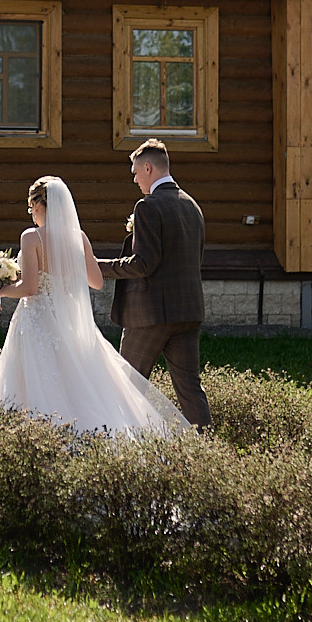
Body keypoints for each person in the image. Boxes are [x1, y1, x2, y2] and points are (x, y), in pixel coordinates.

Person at [0, 175, 183, 437]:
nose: (30, 211)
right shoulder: (78, 237)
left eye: (31, 205)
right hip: (69, 320)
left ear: (40, 204)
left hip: (37, 320)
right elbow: (97, 282)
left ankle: (34, 436)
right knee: (76, 379)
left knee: (36, 379)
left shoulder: (31, 237)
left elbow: (29, 288)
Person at [97, 140, 211, 430]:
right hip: (188, 312)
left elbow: (143, 264)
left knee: (127, 385)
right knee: (190, 389)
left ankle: (122, 445)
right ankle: (209, 448)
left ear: (148, 168)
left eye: (136, 173)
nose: (135, 180)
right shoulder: (192, 205)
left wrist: (98, 267)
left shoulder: (147, 206)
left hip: (150, 315)